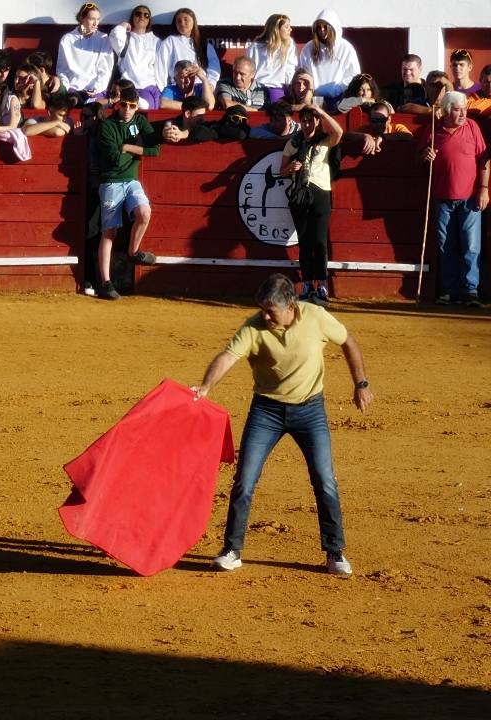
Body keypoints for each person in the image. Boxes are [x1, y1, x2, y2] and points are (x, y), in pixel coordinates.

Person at [192, 272, 374, 577]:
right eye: (262, 308)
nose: (264, 315)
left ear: (291, 305)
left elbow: (348, 341)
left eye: (270, 310)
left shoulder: (317, 317)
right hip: (267, 411)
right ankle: (232, 550)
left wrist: (361, 383)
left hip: (310, 410)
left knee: (324, 479)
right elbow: (228, 357)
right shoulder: (254, 326)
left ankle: (335, 552)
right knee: (245, 479)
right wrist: (207, 385)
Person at [417, 91, 489, 307]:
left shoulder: (473, 127)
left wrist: (484, 189)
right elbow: (418, 157)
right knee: (445, 245)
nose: (462, 114)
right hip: (442, 196)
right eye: (457, 109)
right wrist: (424, 156)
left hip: (470, 197)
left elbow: (484, 160)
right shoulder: (434, 129)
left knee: (471, 246)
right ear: (447, 111)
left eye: (464, 109)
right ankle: (449, 290)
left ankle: (470, 291)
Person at [95, 86, 160, 300]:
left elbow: (154, 150)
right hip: (111, 182)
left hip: (131, 180)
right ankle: (105, 282)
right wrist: (131, 150)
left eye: (132, 106)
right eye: (124, 105)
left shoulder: (139, 122)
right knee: (110, 231)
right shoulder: (107, 126)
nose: (128, 110)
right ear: (118, 104)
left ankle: (133, 252)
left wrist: (128, 148)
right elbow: (114, 159)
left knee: (144, 212)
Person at [282, 105, 342, 305]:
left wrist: (322, 112)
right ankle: (308, 285)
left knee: (319, 241)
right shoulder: (295, 141)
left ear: (317, 121)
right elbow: (282, 170)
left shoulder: (325, 140)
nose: (307, 124)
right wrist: (290, 167)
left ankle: (322, 286)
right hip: (300, 195)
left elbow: (339, 131)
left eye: (311, 120)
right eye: (304, 121)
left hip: (320, 193)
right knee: (305, 242)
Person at [297, 9, 360, 108]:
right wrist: (312, 90)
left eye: (325, 27)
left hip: (339, 97)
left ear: (333, 27)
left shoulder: (345, 48)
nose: (322, 30)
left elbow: (353, 75)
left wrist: (336, 89)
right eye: (319, 27)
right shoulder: (309, 48)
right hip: (315, 98)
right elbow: (303, 72)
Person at [57, 2, 114, 103]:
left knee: (93, 105)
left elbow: (105, 70)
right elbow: (62, 69)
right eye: (92, 19)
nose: (96, 23)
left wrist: (97, 87)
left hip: (95, 90)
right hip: (73, 89)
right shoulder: (67, 39)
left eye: (98, 19)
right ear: (81, 18)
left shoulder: (103, 39)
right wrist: (66, 88)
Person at [109, 5, 164, 110]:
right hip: (127, 86)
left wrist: (160, 88)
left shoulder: (156, 41)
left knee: (147, 109)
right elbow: (114, 36)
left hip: (148, 86)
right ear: (132, 17)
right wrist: (124, 25)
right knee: (125, 110)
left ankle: (136, 101)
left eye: (146, 15)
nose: (142, 17)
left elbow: (161, 66)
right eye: (138, 14)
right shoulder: (125, 37)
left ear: (149, 20)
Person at [157, 7, 220, 88]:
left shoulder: (203, 44)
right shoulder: (170, 41)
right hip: (178, 87)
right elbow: (161, 67)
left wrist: (211, 83)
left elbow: (214, 65)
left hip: (200, 87)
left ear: (193, 21)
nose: (182, 23)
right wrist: (162, 89)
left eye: (186, 19)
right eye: (179, 21)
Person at [247, 14, 297, 103]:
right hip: (258, 89)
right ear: (276, 29)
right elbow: (248, 70)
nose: (290, 29)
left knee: (277, 113)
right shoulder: (255, 46)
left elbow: (290, 69)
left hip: (278, 90)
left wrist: (291, 89)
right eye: (286, 27)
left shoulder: (289, 44)